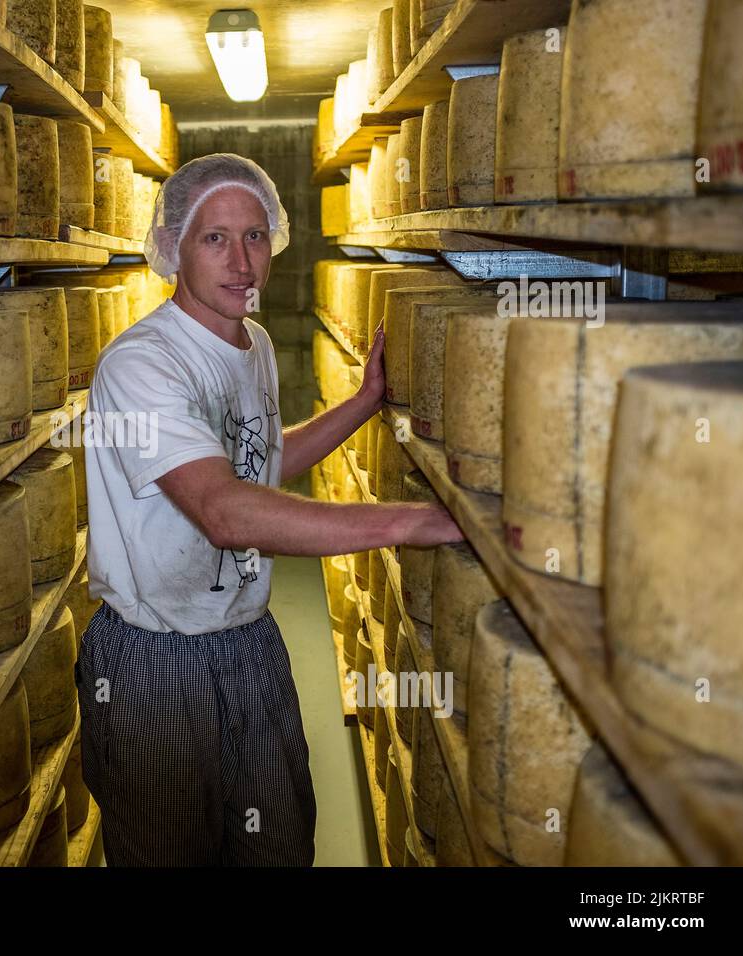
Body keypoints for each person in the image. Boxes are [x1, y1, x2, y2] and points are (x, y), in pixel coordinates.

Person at [75, 153, 463, 866]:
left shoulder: (248, 342)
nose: (241, 261)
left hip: (247, 636)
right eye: (214, 238)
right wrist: (408, 523)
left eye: (255, 235)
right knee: (170, 853)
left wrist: (361, 404)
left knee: (277, 842)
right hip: (156, 654)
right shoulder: (141, 364)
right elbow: (224, 510)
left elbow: (254, 462)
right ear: (172, 249)